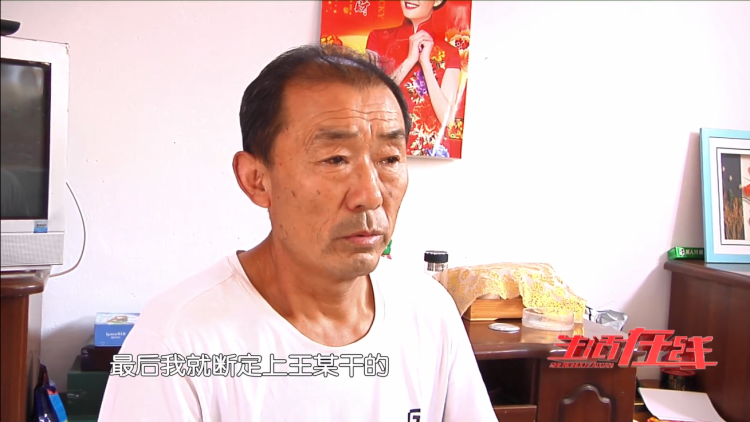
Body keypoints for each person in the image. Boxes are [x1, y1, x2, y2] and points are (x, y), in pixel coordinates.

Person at [98, 44, 495, 421]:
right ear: (256, 179)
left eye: (390, 159)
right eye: (335, 159)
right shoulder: (173, 345)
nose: (371, 194)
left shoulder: (429, 312)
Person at [365, 0, 462, 157]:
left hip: (431, 153)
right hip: (386, 146)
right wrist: (409, 60)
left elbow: (448, 118)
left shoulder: (450, 52)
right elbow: (371, 98)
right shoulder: (378, 38)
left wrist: (426, 64)